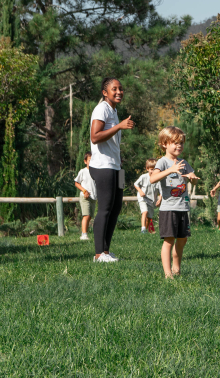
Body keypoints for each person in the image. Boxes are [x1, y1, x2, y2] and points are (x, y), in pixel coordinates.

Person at [89, 77, 134, 262]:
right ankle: (99, 253)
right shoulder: (102, 109)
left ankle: (106, 251)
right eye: (114, 89)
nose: (118, 92)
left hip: (116, 167)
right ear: (104, 92)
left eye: (120, 89)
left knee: (115, 210)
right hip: (103, 167)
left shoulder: (113, 111)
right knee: (105, 209)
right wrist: (119, 126)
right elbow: (95, 137)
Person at [150, 126, 200, 279]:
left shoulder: (183, 162)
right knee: (169, 240)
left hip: (183, 207)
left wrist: (193, 179)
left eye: (181, 143)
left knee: (183, 239)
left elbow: (192, 177)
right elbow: (153, 179)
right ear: (165, 144)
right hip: (168, 208)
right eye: (175, 143)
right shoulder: (163, 162)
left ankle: (176, 269)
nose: (179, 146)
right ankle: (167, 273)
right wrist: (171, 170)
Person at [134, 158, 162, 234]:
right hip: (143, 198)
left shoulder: (158, 179)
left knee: (149, 217)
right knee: (145, 212)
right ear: (147, 169)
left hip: (152, 200)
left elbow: (161, 191)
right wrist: (140, 191)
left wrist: (159, 200)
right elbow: (136, 184)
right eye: (151, 169)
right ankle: (143, 229)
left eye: (155, 169)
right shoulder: (144, 177)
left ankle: (145, 230)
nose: (153, 171)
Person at [74, 151, 97, 241]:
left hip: (93, 197)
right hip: (85, 197)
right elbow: (76, 183)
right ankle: (84, 234)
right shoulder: (83, 171)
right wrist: (84, 191)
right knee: (86, 215)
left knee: (90, 216)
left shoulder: (96, 172)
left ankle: (86, 233)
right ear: (85, 161)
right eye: (90, 160)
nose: (91, 162)